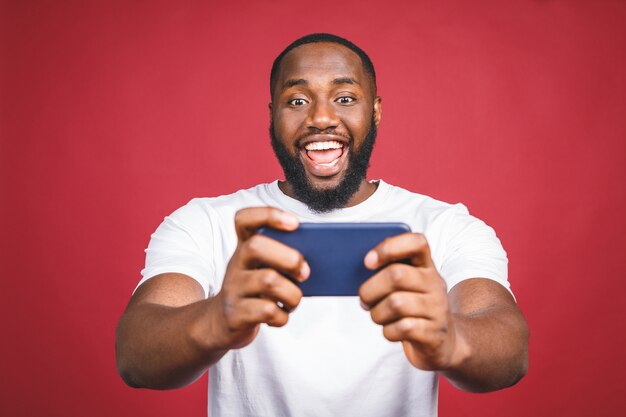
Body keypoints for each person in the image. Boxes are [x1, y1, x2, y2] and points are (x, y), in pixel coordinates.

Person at [116, 33, 529, 417]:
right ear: (272, 114)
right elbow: (135, 355)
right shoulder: (205, 222)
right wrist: (214, 319)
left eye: (345, 98)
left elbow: (509, 350)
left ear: (376, 111)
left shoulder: (446, 226)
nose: (321, 118)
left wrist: (451, 339)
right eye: (297, 101)